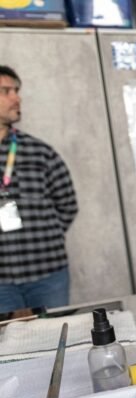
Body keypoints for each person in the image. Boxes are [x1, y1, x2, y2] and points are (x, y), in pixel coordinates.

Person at [0, 65, 78, 314]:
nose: (17, 98)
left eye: (17, 90)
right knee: (6, 340)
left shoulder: (39, 152)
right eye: (6, 91)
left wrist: (45, 237)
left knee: (55, 332)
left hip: (47, 274)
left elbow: (67, 204)